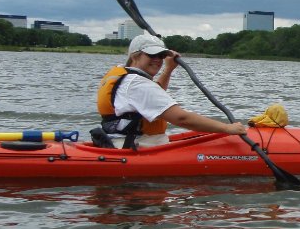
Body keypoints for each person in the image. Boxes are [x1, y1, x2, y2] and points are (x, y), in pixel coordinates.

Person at [96, 34, 246, 148]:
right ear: (135, 55)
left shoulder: (125, 76)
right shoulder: (137, 84)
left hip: (122, 141)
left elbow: (152, 97)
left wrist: (168, 69)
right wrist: (227, 128)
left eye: (161, 55)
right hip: (137, 146)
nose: (158, 59)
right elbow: (181, 119)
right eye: (152, 55)